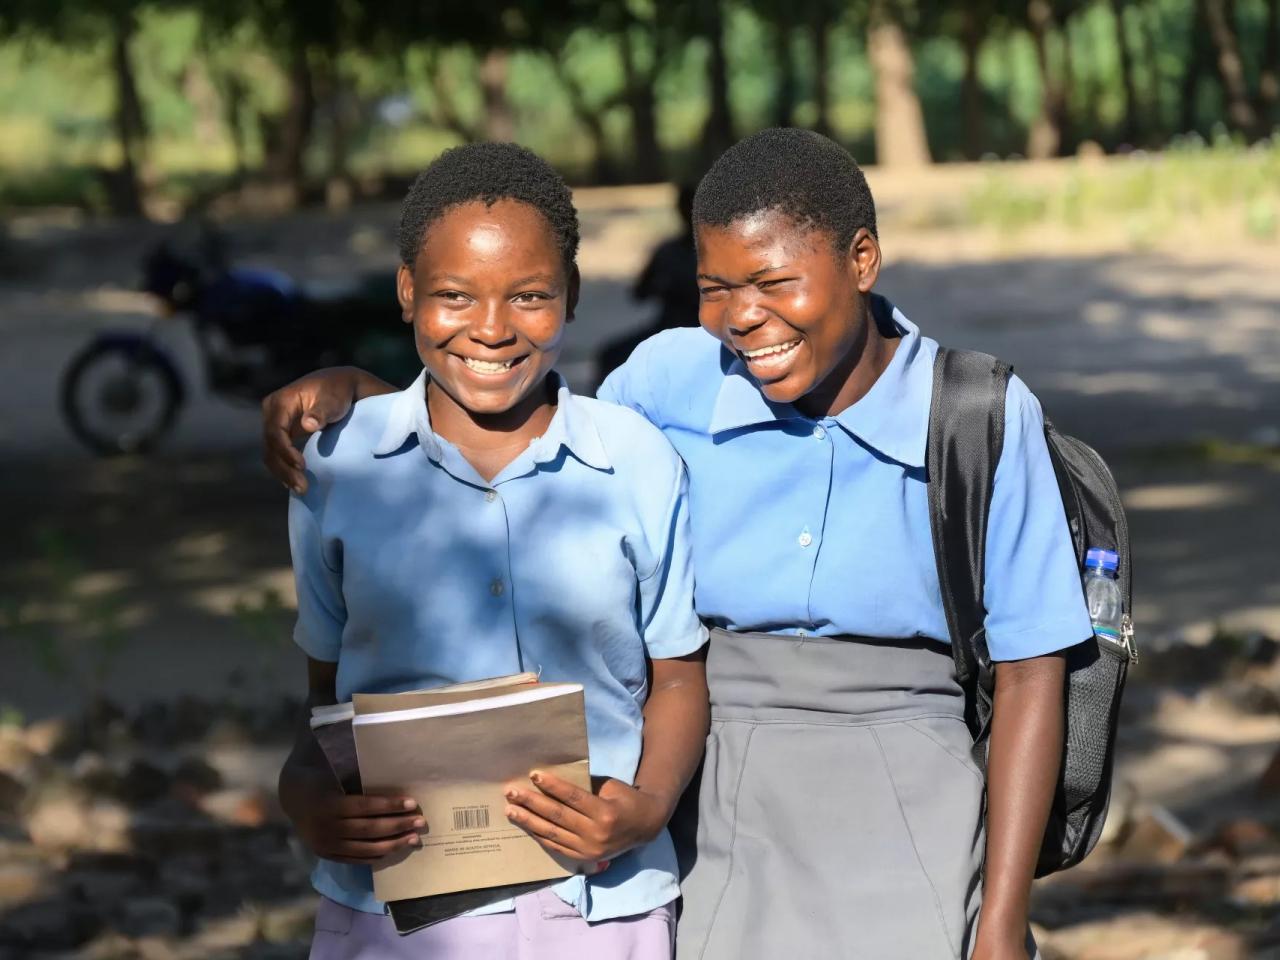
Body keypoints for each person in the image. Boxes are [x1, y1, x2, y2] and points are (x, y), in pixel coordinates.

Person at [264, 129, 1092, 960]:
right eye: (714, 288)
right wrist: (376, 413)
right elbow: (528, 420)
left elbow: (1031, 673)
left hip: (907, 807)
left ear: (863, 259)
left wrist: (1001, 926)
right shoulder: (671, 379)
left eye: (773, 282)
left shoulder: (976, 414)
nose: (741, 317)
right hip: (710, 807)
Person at [277, 142, 709, 960]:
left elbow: (679, 674)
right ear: (408, 293)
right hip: (394, 912)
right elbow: (325, 702)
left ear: (573, 296)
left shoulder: (638, 460)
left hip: (602, 909)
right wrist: (302, 793)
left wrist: (648, 806)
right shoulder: (336, 469)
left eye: (531, 296)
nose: (491, 328)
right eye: (453, 296)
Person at [595, 183, 699, 383]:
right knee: (610, 356)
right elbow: (639, 293)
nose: (687, 212)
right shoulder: (667, 251)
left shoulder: (716, 251)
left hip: (703, 330)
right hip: (665, 327)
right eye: (683, 207)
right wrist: (662, 286)